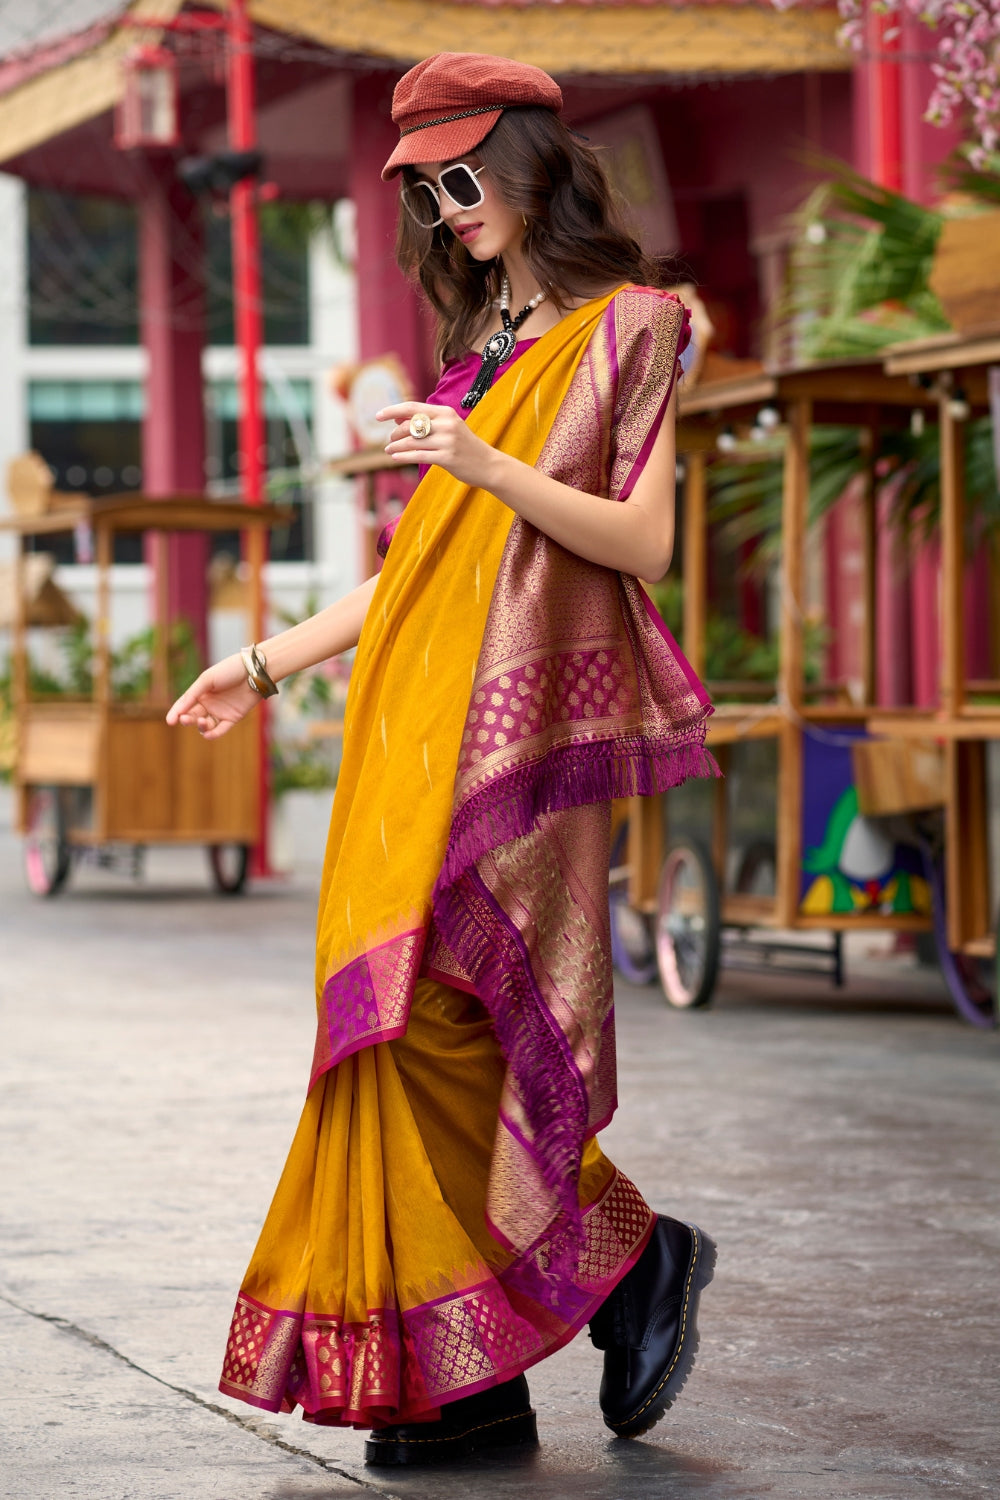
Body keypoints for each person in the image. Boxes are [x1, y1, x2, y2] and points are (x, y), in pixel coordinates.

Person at [167, 51, 718, 1467]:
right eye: (424, 185)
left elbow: (643, 545)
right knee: (391, 1024)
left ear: (530, 157)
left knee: (462, 1015)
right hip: (409, 727)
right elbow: (417, 570)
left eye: (463, 172)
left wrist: (482, 461)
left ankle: (621, 1265)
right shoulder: (479, 352)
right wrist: (261, 662)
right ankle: (465, 1377)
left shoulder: (637, 327)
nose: (447, 203)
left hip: (526, 729)